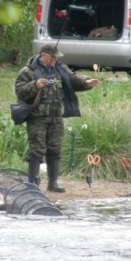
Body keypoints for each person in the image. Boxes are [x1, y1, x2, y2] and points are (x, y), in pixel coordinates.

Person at [15, 44, 100, 192]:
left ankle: (52, 183)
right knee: (36, 150)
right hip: (37, 117)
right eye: (53, 57)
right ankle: (32, 184)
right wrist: (35, 85)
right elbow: (20, 91)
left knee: (55, 149)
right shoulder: (28, 71)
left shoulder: (60, 69)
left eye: (56, 57)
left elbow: (73, 80)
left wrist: (86, 82)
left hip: (56, 117)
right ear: (43, 56)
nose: (55, 60)